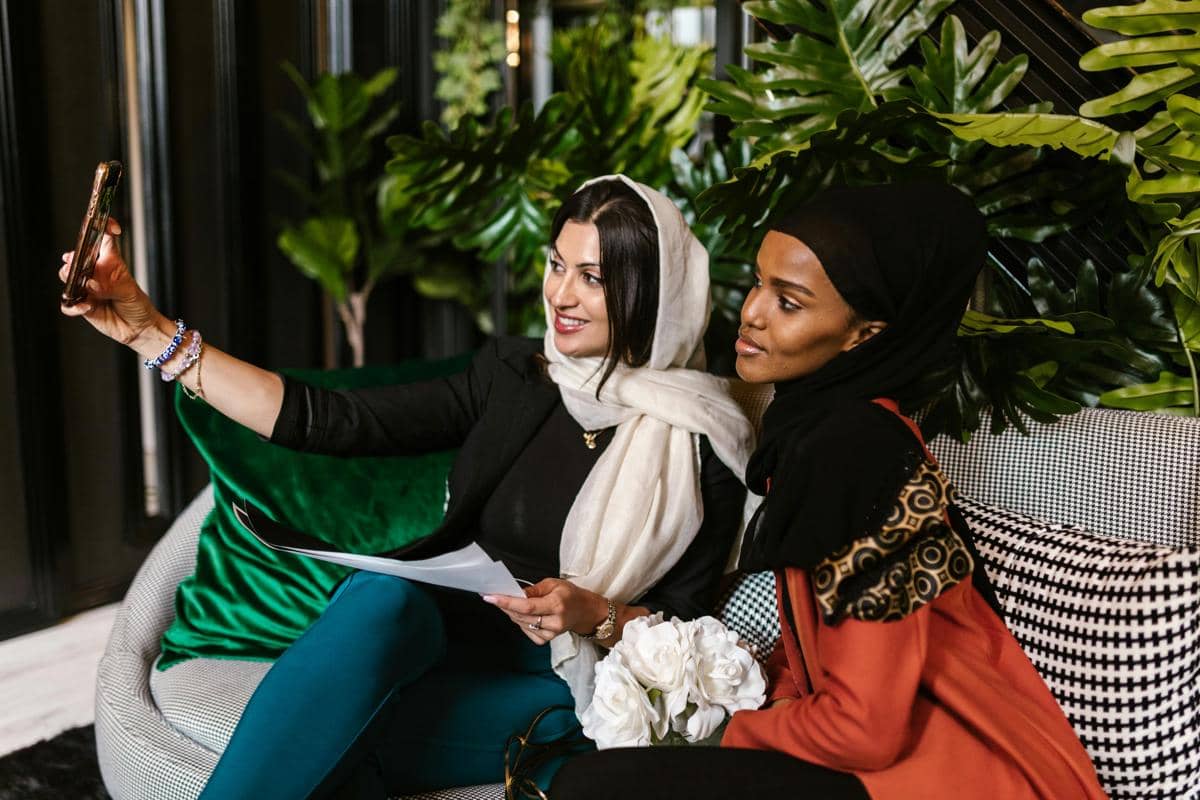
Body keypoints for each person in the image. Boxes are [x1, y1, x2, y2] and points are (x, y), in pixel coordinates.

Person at [59, 175, 754, 798]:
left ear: (649, 293)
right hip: (443, 632)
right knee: (382, 597)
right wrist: (150, 333)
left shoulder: (704, 439)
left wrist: (593, 612)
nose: (560, 295)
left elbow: (692, 628)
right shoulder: (516, 376)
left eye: (592, 278)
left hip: (559, 675)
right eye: (555, 265)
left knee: (320, 743)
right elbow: (331, 420)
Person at [549, 182, 1108, 799]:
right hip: (901, 766)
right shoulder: (833, 433)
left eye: (788, 303)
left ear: (863, 335)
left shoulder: (857, 454)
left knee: (593, 787)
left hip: (960, 777)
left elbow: (866, 727)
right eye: (759, 283)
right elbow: (836, 653)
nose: (753, 313)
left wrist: (731, 733)